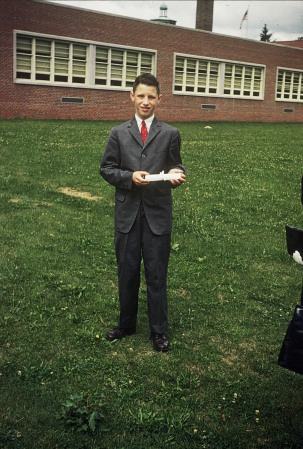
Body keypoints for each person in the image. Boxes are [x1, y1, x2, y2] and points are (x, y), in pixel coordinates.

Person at [100, 73, 185, 352]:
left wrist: (176, 173)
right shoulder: (118, 133)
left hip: (157, 215)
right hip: (127, 215)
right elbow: (107, 168)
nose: (146, 102)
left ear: (159, 99)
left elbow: (177, 165)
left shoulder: (170, 133)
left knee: (156, 272)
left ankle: (158, 331)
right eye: (141, 96)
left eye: (151, 97)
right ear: (132, 97)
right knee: (127, 270)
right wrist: (129, 177)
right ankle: (126, 324)